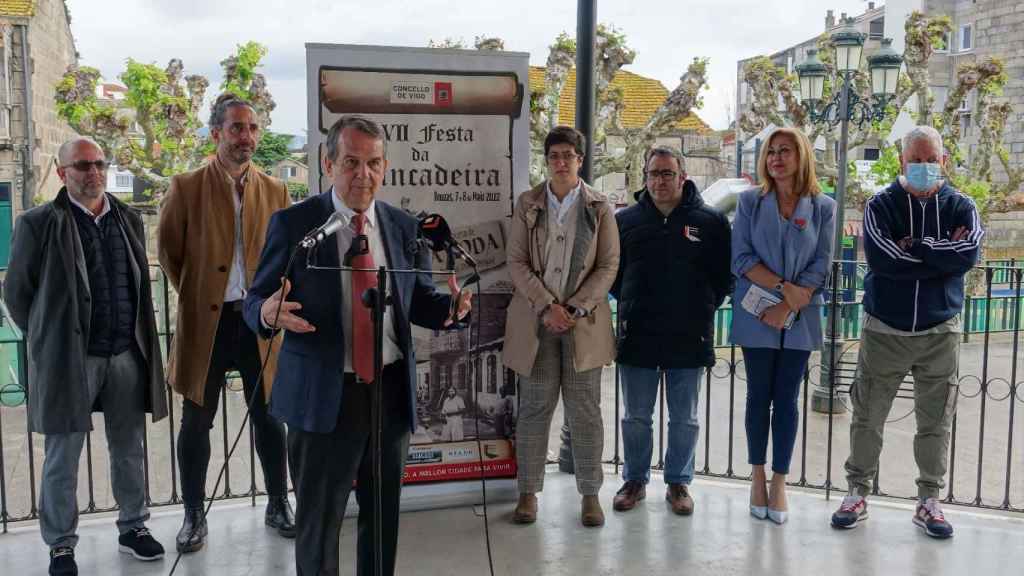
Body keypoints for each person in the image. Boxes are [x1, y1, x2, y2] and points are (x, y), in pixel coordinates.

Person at [242, 115, 471, 576]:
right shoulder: (295, 225)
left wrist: (451, 309)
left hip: (388, 395)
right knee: (319, 525)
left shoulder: (404, 226)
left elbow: (419, 300)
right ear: (328, 164)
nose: (362, 174)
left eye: (373, 163)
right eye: (351, 162)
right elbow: (255, 300)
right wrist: (267, 313)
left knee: (382, 518)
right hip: (323, 398)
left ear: (385, 167)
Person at [4, 137, 168, 575]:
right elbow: (17, 295)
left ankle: (133, 526)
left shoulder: (128, 218)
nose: (93, 172)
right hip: (70, 360)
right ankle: (61, 544)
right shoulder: (39, 224)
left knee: (129, 448)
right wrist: (48, 339)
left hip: (125, 355)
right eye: (82, 166)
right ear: (62, 173)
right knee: (63, 454)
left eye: (99, 163)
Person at [831, 125, 982, 539]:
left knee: (936, 422)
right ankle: (856, 493)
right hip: (885, 330)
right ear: (901, 161)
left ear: (944, 162)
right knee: (867, 417)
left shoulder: (962, 206)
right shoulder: (881, 205)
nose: (924, 167)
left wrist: (916, 246)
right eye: (915, 160)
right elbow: (883, 260)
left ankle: (929, 501)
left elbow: (968, 255)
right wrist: (941, 254)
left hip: (939, 332)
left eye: (931, 160)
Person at [158, 93, 294, 553]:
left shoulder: (276, 191)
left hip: (258, 322)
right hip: (208, 326)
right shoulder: (185, 186)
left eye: (253, 129)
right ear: (215, 134)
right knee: (196, 423)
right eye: (237, 128)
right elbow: (170, 256)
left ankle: (278, 502)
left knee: (270, 419)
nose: (247, 137)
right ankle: (194, 515)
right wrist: (204, 298)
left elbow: (286, 257)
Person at [503, 126, 619, 527]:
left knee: (585, 412)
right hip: (537, 324)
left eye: (569, 154)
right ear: (547, 159)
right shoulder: (528, 203)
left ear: (580, 159)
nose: (561, 161)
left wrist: (575, 307)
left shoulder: (600, 206)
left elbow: (608, 265)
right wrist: (547, 306)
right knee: (535, 409)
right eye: (554, 155)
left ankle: (590, 496)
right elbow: (515, 261)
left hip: (582, 325)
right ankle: (527, 493)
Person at [609, 146, 732, 516]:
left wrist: (699, 306)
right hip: (639, 333)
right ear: (644, 178)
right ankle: (634, 480)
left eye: (667, 173)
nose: (659, 181)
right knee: (635, 417)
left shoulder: (711, 222)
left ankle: (678, 483)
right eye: (653, 174)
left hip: (688, 334)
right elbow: (614, 277)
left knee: (685, 418)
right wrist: (633, 303)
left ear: (683, 177)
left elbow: (723, 278)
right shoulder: (625, 220)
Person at [731, 127, 836, 525]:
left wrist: (791, 305)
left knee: (787, 400)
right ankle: (756, 477)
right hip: (758, 312)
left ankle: (779, 481)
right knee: (759, 397)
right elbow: (740, 258)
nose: (776, 158)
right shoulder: (749, 203)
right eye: (771, 152)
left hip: (801, 316)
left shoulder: (823, 207)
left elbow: (821, 265)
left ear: (801, 156)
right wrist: (781, 292)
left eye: (785, 151)